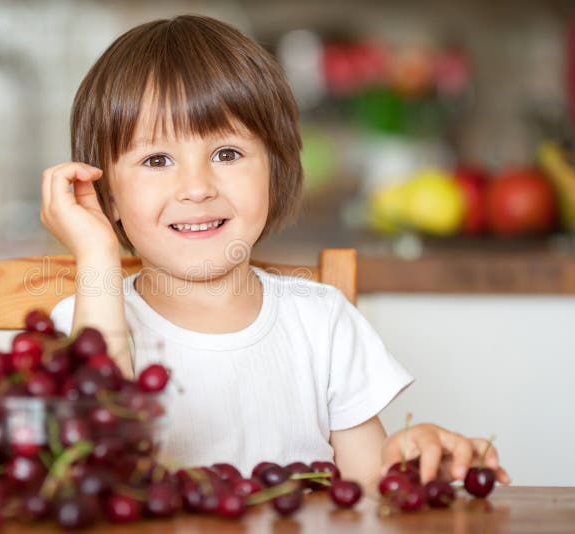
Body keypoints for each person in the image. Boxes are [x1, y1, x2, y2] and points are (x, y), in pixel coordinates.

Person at [41, 14, 510, 490]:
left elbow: (370, 490)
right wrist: (96, 254)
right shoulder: (88, 320)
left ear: (275, 168)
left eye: (227, 153)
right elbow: (93, 468)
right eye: (156, 160)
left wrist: (410, 456)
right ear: (108, 196)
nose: (197, 188)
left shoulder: (320, 321)